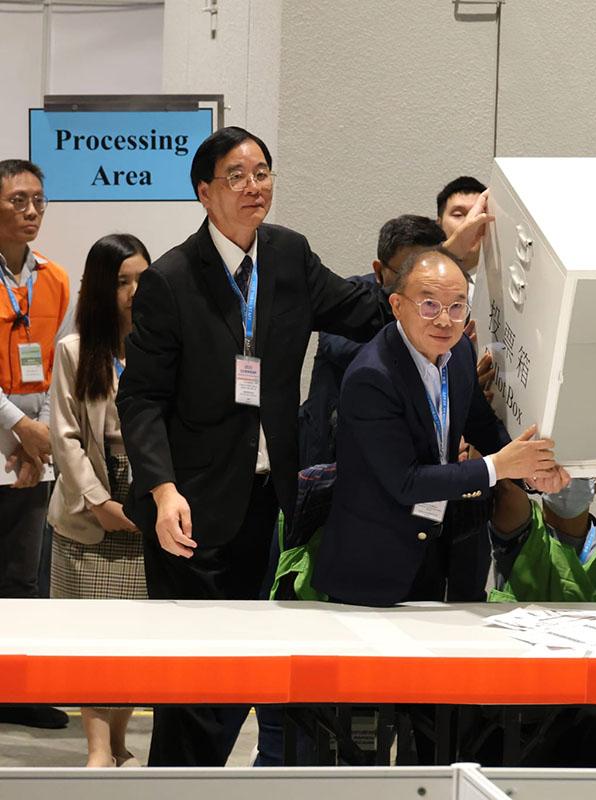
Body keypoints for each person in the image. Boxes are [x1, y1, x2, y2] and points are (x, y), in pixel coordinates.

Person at [116, 126, 488, 767]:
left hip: (274, 501)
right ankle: (176, 784)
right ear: (204, 191)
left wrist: (443, 265)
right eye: (237, 176)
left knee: (266, 671)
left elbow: (367, 309)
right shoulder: (171, 280)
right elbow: (141, 398)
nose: (254, 186)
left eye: (262, 172)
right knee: (199, 686)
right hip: (194, 507)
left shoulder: (287, 255)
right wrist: (162, 488)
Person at [313, 247, 567, 607]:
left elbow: (482, 424)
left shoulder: (459, 352)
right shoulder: (372, 377)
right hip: (371, 565)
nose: (445, 320)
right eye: (429, 305)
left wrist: (530, 472)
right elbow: (406, 482)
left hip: (432, 548)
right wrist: (499, 466)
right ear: (397, 305)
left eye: (457, 306)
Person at [456, 476, 596, 767]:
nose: (567, 480)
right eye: (558, 468)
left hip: (589, 700)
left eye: (579, 472)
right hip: (524, 694)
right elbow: (506, 489)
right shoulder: (525, 527)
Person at [47, 233, 150, 766]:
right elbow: (64, 437)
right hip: (89, 508)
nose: (133, 292)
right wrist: (97, 501)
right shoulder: (75, 349)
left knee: (132, 637)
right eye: (121, 281)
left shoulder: (161, 345)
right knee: (92, 638)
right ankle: (96, 748)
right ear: (100, 288)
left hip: (144, 501)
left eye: (141, 280)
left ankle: (119, 741)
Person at [0, 158, 71, 731]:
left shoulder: (55, 279)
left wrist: (38, 436)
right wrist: (18, 427)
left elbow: (51, 366)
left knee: (24, 576)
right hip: (10, 429)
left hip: (31, 447)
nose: (31, 211)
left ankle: (18, 691)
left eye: (39, 201)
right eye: (18, 200)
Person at [298, 214, 447, 469]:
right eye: (407, 274)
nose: (420, 287)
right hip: (331, 457)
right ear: (379, 270)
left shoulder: (443, 314)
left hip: (401, 457)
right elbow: (344, 349)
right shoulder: (351, 297)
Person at [437, 176, 486, 280]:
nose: (469, 222)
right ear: (439, 224)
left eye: (478, 214)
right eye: (458, 215)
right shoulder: (420, 268)